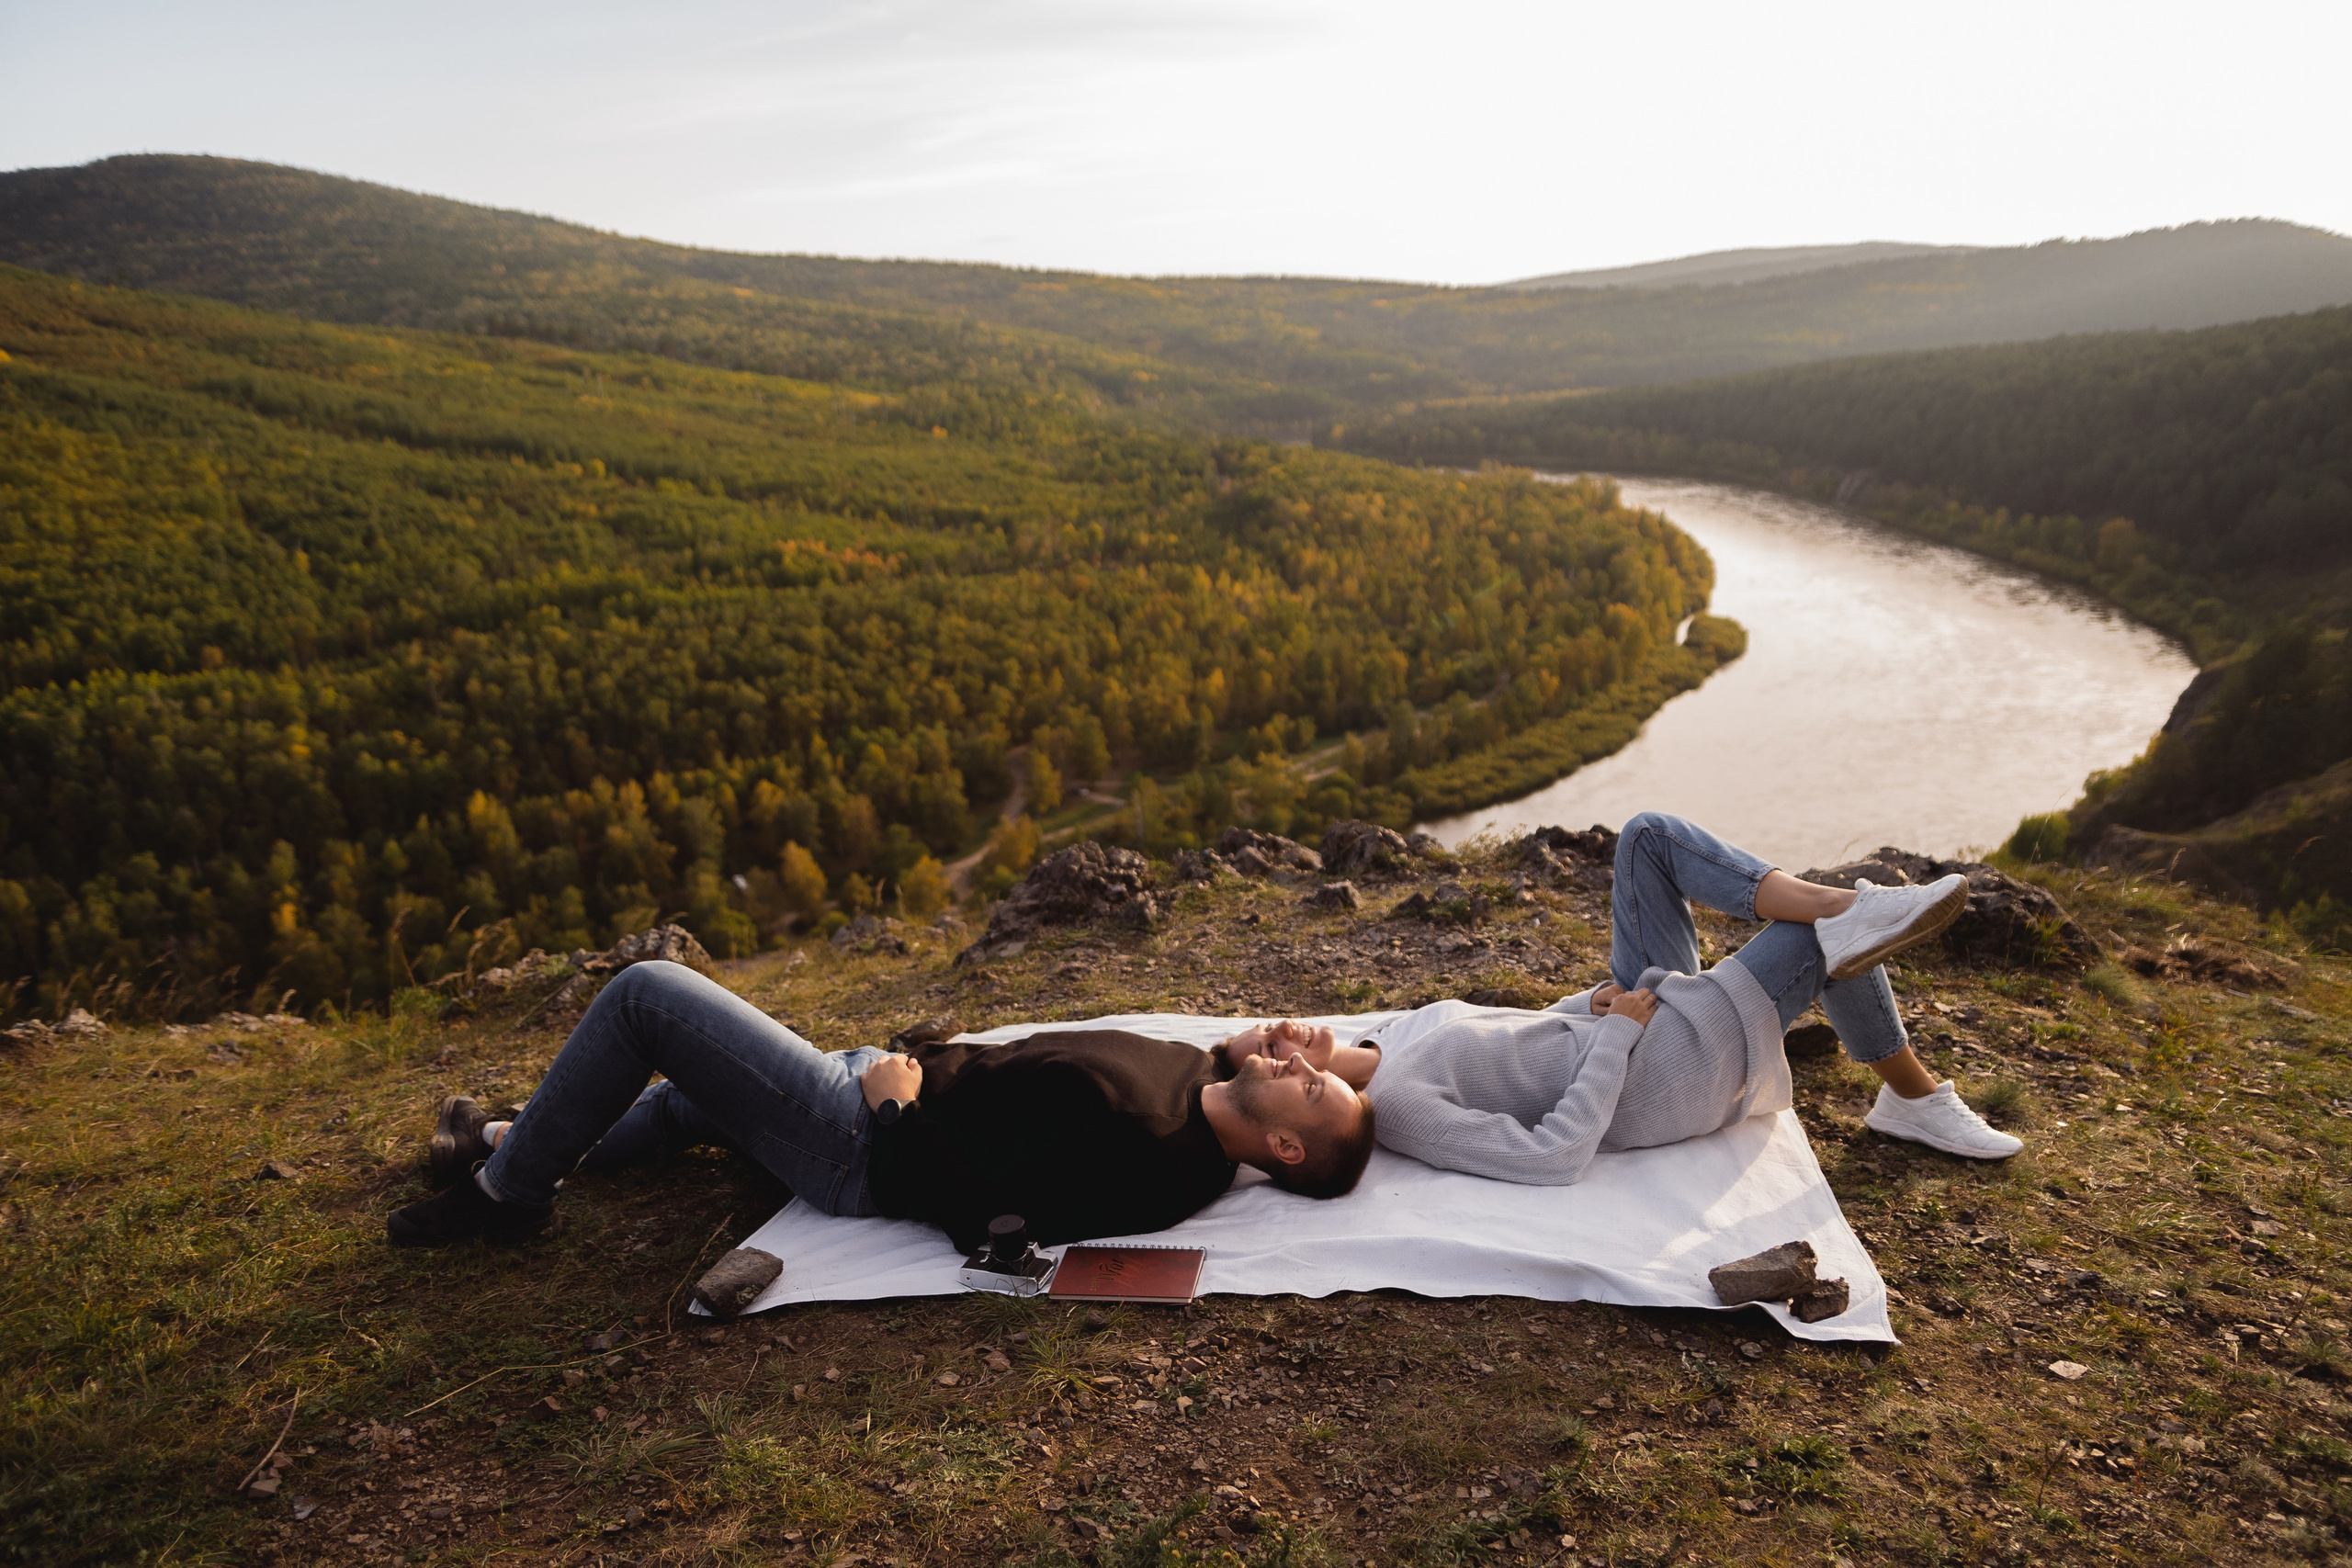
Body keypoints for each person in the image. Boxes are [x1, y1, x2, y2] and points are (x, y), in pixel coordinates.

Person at [1222, 810, 2021, 1183]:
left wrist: (1587, 1007)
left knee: (1647, 839)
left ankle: (1850, 911)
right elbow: (1552, 1156)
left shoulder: (1396, 1035)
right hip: (1660, 1068)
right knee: (1827, 934)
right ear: (1298, 1112)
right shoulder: (1399, 1109)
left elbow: (1520, 1042)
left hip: (1625, 1021)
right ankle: (1911, 1090)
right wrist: (1616, 1038)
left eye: (1270, 1042)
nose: (1284, 1045)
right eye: (1273, 1057)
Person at [385, 960, 1374, 1252]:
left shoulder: (1158, 1155)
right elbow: (1347, 1059)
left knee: (649, 997)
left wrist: (898, 1111)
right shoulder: (1206, 1070)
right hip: (877, 1083)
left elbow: (996, 1221)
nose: (1299, 1060)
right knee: (692, 1103)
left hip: (856, 1137)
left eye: (1310, 1087)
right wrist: (1327, 1058)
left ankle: (508, 1196)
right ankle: (503, 1138)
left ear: (1285, 1146)